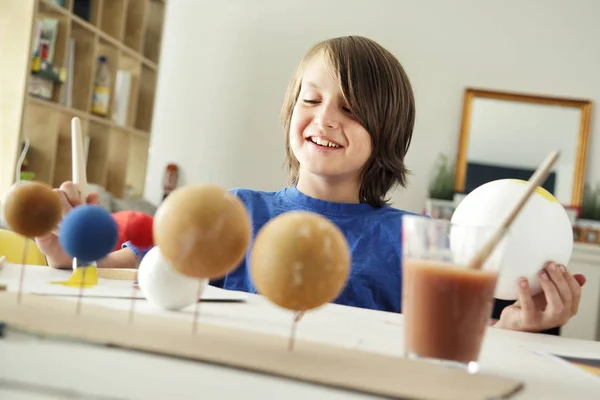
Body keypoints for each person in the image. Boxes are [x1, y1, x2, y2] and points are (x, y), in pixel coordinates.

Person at [35, 35, 585, 334]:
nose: (324, 120)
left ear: (386, 131)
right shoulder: (231, 212)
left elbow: (475, 335)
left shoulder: (423, 242)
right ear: (290, 109)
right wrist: (66, 252)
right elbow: (120, 274)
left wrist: (523, 325)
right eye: (312, 99)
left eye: (349, 109)